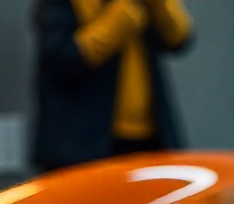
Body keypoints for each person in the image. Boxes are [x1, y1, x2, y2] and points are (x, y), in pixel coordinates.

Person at [33, 0, 194, 170]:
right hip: (83, 145)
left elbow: (179, 39)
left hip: (149, 139)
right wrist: (119, 20)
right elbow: (63, 57)